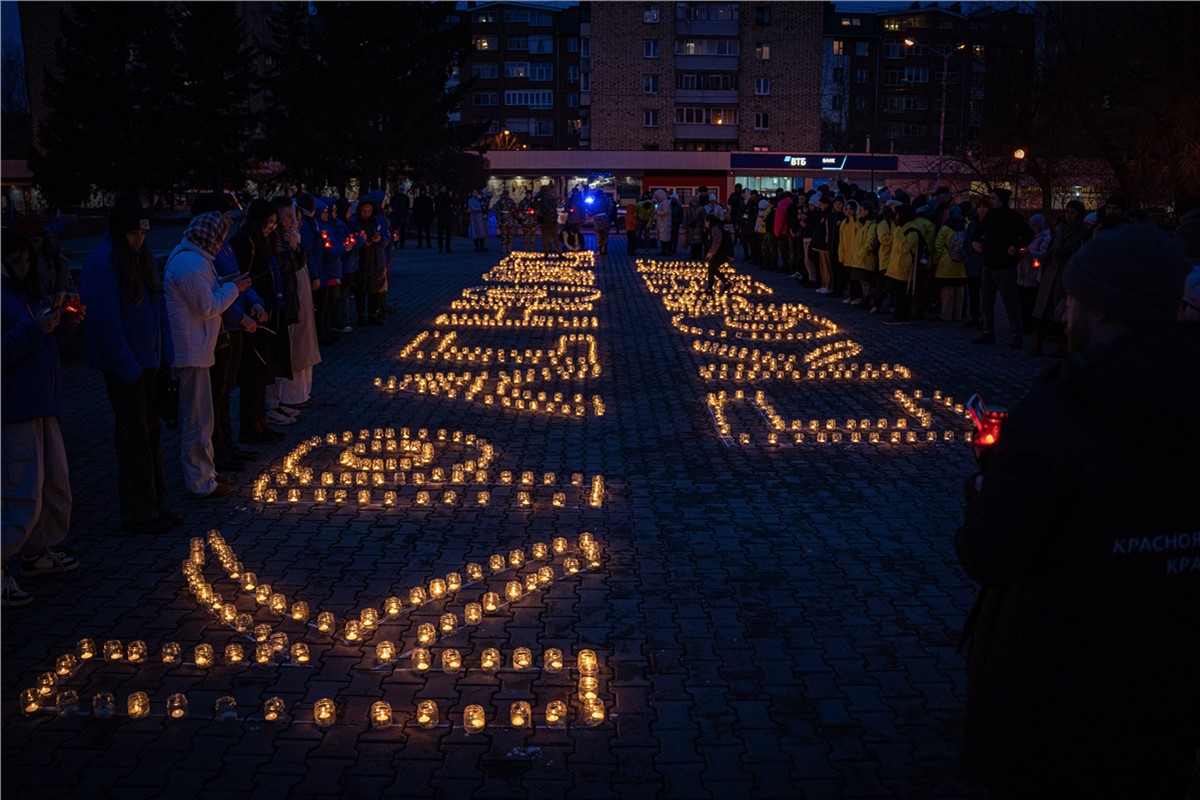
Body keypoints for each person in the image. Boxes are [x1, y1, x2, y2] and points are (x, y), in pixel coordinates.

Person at [954, 224, 1199, 799]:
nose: (1064, 315)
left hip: (1059, 690)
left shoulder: (1060, 413)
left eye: (1072, 301)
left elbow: (990, 553)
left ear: (1102, 310)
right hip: (1171, 691)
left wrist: (988, 479)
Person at [80, 196, 177, 534]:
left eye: (143, 233)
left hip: (148, 362)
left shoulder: (142, 260)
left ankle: (156, 504)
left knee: (150, 434)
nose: (139, 239)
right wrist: (129, 367)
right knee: (134, 438)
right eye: (133, 233)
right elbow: (105, 322)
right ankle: (138, 512)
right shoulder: (104, 263)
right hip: (128, 367)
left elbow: (157, 309)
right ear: (121, 232)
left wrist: (165, 357)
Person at [2, 232, 81, 607]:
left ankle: (37, 553)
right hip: (14, 408)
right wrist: (37, 327)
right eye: (15, 262)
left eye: (27, 261)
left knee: (54, 484)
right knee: (22, 493)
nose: (23, 268)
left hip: (43, 402)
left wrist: (63, 321)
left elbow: (45, 343)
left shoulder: (22, 294)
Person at [163, 212, 248, 499]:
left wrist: (225, 282)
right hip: (192, 351)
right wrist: (233, 288)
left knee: (203, 417)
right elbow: (207, 307)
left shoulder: (195, 259)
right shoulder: (190, 264)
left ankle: (206, 472)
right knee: (198, 420)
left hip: (198, 348)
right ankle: (200, 481)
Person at [190, 193, 266, 475]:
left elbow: (238, 279)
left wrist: (255, 301)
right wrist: (240, 316)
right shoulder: (204, 253)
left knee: (225, 390)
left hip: (236, 326)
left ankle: (228, 444)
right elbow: (213, 295)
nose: (229, 221)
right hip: (223, 328)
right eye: (225, 215)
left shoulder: (224, 249)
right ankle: (218, 448)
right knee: (217, 392)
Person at [230, 200, 291, 444]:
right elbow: (242, 278)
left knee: (264, 371)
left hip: (268, 312)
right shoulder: (244, 242)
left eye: (274, 224)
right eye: (268, 223)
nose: (271, 227)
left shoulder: (265, 243)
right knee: (253, 374)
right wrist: (251, 305)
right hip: (253, 316)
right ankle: (250, 426)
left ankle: (260, 421)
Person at [270, 199, 321, 413]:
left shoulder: (291, 242)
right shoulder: (276, 243)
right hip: (286, 303)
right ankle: (283, 399)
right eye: (289, 217)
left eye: (296, 218)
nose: (294, 222)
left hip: (296, 299)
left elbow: (299, 262)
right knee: (289, 350)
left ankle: (297, 394)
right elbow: (284, 268)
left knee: (300, 346)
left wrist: (297, 248)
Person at [971, 188, 1034, 347]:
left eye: (994, 198)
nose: (991, 201)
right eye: (990, 198)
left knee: (1010, 301)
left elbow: (1028, 234)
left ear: (1002, 200)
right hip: (989, 263)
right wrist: (975, 242)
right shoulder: (990, 216)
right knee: (986, 300)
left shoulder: (1013, 217)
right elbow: (977, 231)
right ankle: (988, 332)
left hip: (1005, 265)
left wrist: (1016, 246)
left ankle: (1017, 334)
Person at [15, 214, 73, 297]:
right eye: (26, 241)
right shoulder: (10, 262)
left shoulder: (58, 262)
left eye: (35, 241)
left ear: (43, 239)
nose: (30, 246)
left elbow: (62, 293)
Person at [933, 205, 968, 321]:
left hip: (946, 262)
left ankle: (946, 315)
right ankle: (957, 315)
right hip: (961, 264)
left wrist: (936, 260)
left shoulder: (945, 228)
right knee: (959, 291)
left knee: (947, 290)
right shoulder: (965, 226)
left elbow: (938, 246)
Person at [702, 214, 733, 295]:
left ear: (709, 221)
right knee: (713, 269)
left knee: (711, 269)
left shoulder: (715, 228)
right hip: (721, 252)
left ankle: (710, 289)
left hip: (722, 252)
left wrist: (711, 252)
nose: (705, 223)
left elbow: (717, 241)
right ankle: (726, 283)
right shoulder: (716, 227)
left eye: (706, 222)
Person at [493, 188, 518, 254]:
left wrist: (515, 218)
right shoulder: (500, 201)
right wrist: (498, 220)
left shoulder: (511, 201)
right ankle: (504, 247)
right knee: (503, 234)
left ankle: (509, 246)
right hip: (503, 219)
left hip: (510, 219)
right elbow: (497, 211)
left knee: (510, 234)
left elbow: (514, 210)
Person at [434, 186, 456, 254]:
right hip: (442, 217)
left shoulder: (448, 197)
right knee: (440, 234)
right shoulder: (438, 197)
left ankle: (447, 248)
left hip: (448, 217)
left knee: (448, 234)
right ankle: (440, 248)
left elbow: (453, 203)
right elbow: (438, 205)